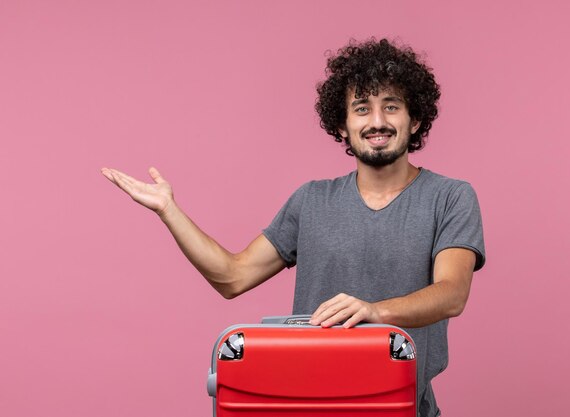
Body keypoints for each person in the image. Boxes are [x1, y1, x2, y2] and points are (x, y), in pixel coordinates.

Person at [101, 38, 485, 417]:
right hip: (305, 404)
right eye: (362, 109)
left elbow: (452, 293)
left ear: (414, 118)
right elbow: (232, 277)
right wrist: (169, 211)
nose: (378, 122)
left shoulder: (450, 197)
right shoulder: (311, 201)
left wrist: (374, 312)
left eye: (391, 107)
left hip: (399, 406)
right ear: (342, 125)